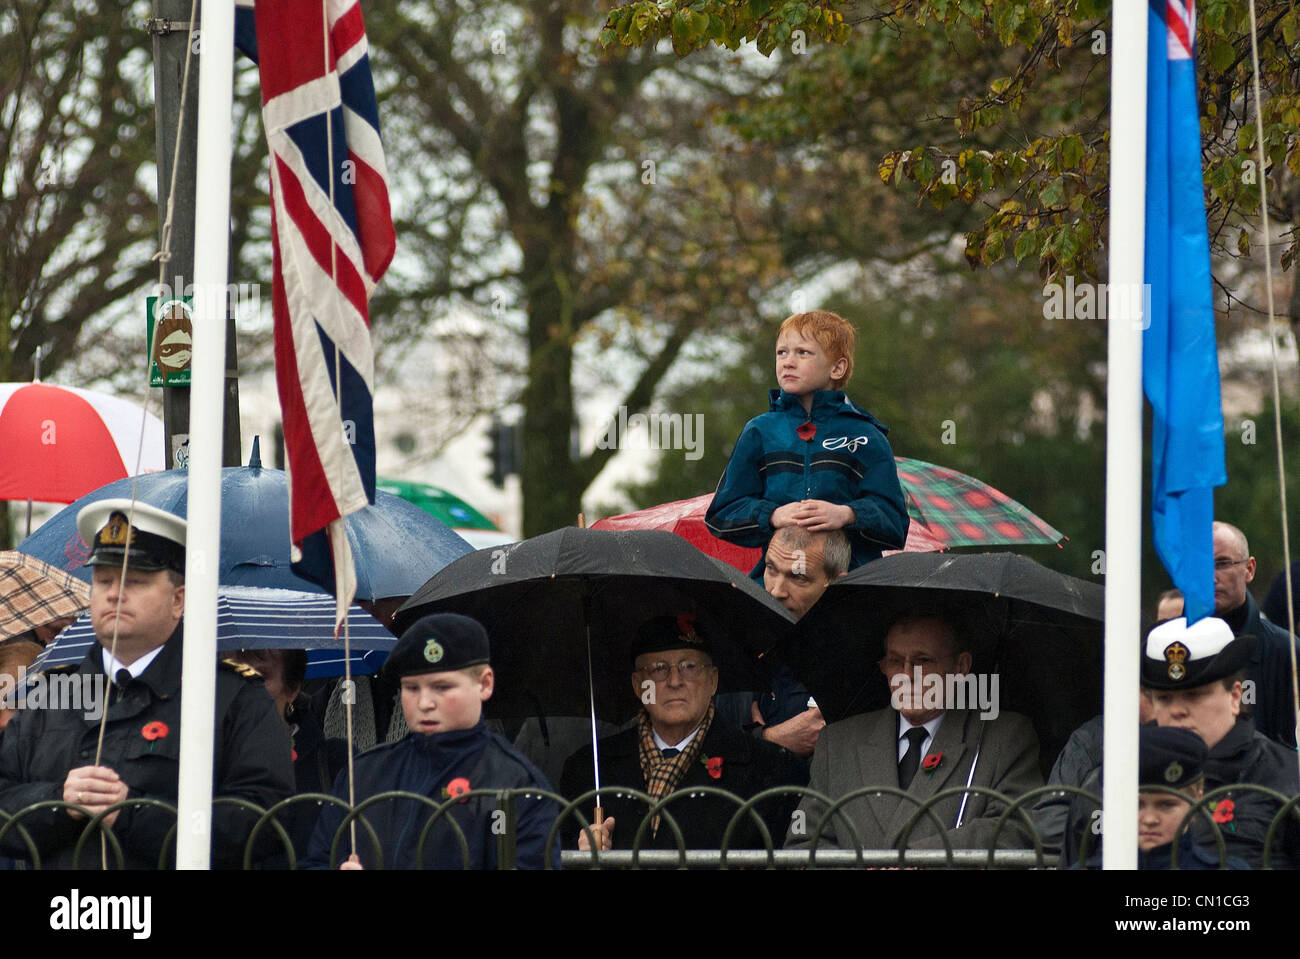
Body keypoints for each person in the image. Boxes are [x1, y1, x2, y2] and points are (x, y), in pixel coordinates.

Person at [0, 500, 294, 868]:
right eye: (104, 581)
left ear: (178, 599)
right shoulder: (50, 694)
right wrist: (58, 801)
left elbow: (265, 823)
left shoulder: (231, 697)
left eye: (135, 581)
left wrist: (131, 814)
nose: (114, 593)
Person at [304, 613, 559, 869]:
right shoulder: (364, 775)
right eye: (412, 688)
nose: (425, 703)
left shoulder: (516, 783)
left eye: (442, 687)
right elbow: (317, 860)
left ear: (484, 684)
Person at [785, 610, 1042, 853]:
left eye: (923, 661)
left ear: (961, 666)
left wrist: (923, 859)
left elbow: (1019, 827)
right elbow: (803, 842)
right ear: (883, 667)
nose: (907, 675)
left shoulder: (1003, 738)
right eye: (895, 661)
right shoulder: (839, 743)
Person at [559, 614, 807, 852]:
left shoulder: (773, 769)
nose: (675, 681)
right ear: (638, 685)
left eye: (689, 667)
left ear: (713, 680)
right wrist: (585, 858)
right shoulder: (588, 771)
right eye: (658, 669)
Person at [705, 310, 908, 575]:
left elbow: (895, 523)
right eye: (782, 352)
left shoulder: (866, 436)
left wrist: (846, 514)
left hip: (850, 582)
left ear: (837, 368)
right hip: (777, 582)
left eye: (803, 353)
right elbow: (722, 513)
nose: (788, 362)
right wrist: (773, 515)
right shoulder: (760, 431)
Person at [1142, 615, 1300, 869]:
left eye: (1194, 695)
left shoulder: (1288, 779)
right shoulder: (1116, 778)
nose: (1177, 711)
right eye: (1164, 698)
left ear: (1235, 697)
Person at [225, 648, 347, 864]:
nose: (243, 688)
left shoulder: (337, 762)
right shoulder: (197, 762)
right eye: (233, 674)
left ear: (293, 689)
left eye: (259, 677)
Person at [1211, 521, 1300, 747]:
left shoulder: (1286, 653)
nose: (1211, 577)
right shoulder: (1168, 648)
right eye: (1199, 565)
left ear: (1249, 569)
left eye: (1222, 564)